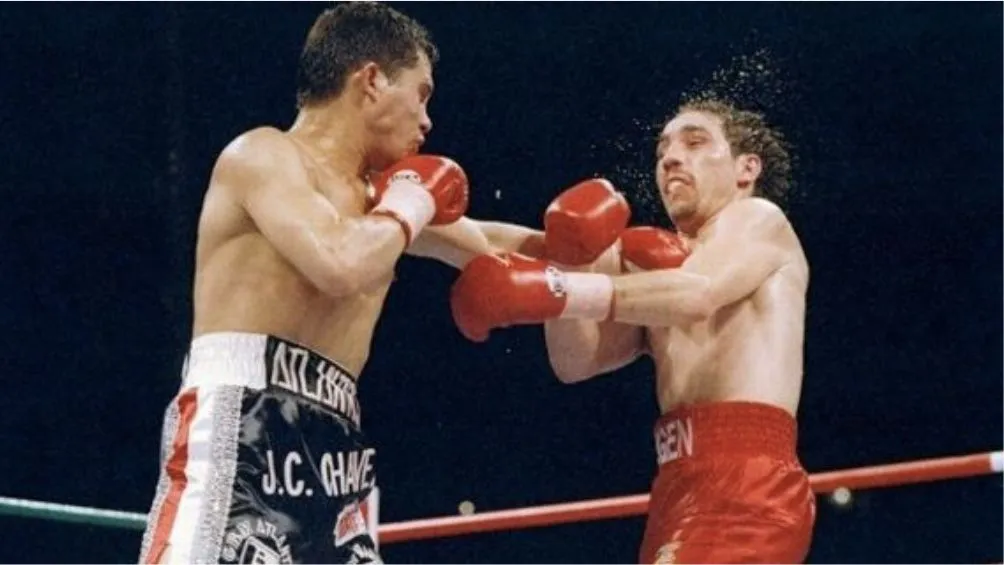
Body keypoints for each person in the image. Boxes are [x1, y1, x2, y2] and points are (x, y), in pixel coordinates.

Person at [136, 3, 525, 563]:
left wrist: (602, 256)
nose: (427, 119)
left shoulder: (380, 204)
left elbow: (492, 245)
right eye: (420, 93)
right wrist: (410, 205)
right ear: (370, 81)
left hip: (338, 457)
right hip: (244, 429)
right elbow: (338, 262)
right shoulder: (263, 155)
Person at [450, 98, 816, 563]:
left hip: (747, 484)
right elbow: (573, 361)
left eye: (695, 142)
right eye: (663, 149)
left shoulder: (759, 220)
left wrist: (560, 287)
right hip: (675, 487)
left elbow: (695, 295)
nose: (671, 157)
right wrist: (411, 217)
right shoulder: (657, 272)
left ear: (747, 168)